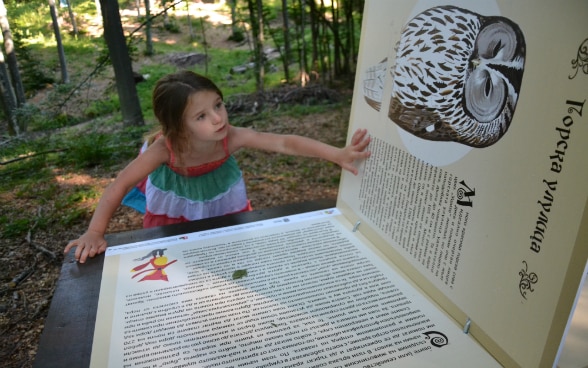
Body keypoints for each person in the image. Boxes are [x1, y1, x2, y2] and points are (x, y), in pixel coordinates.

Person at [64, 70, 371, 263]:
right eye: (201, 116)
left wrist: (336, 153)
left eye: (218, 105)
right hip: (178, 191)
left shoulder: (231, 137)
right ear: (177, 126)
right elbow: (119, 184)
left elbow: (285, 142)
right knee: (176, 248)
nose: (218, 118)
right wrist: (94, 232)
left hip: (219, 192)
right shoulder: (163, 149)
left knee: (225, 241)